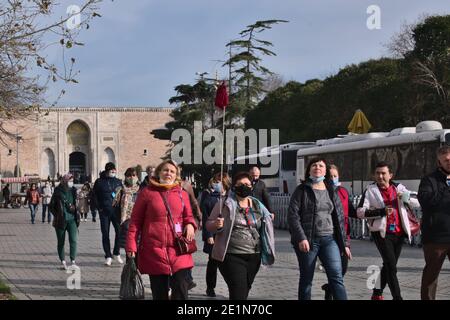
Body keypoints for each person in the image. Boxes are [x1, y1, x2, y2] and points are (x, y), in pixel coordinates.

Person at [126, 159, 197, 300]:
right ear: (159, 172)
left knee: (181, 290)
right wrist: (131, 245)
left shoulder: (182, 194)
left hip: (178, 249)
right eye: (165, 170)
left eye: (172, 171)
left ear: (176, 175)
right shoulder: (147, 193)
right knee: (159, 294)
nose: (168, 173)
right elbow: (135, 221)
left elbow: (188, 216)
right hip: (154, 251)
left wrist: (190, 224)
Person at [206, 172, 275, 300]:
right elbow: (209, 224)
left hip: (254, 255)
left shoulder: (257, 204)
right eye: (240, 184)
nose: (244, 187)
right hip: (231, 256)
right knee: (238, 291)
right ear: (234, 187)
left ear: (252, 187)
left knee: (244, 291)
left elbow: (268, 218)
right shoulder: (225, 203)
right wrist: (216, 224)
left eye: (247, 184)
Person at [357, 161, 420, 300]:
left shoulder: (398, 187)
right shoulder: (370, 190)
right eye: (377, 173)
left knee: (388, 265)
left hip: (399, 232)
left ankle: (377, 292)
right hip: (381, 233)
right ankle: (397, 297)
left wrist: (405, 197)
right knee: (392, 267)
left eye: (383, 173)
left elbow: (417, 202)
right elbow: (360, 212)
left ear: (390, 175)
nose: (380, 176)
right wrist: (381, 211)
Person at [288, 158, 348, 300]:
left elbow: (339, 218)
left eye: (321, 165)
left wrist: (345, 244)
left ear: (325, 170)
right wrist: (301, 237)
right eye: (314, 165)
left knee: (336, 276)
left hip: (329, 239)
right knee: (307, 279)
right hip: (308, 240)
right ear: (309, 170)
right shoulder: (301, 190)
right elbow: (293, 216)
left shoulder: (331, 190)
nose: (317, 167)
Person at [418, 146, 450, 300]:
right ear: (439, 162)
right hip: (436, 238)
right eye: (446, 160)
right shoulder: (429, 180)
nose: (449, 163)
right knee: (431, 278)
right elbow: (427, 202)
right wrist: (446, 186)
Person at [321, 164, 356, 300]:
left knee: (342, 270)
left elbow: (352, 210)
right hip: (329, 236)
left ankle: (329, 288)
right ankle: (332, 292)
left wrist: (369, 211)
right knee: (335, 271)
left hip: (344, 236)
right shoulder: (323, 192)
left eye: (335, 176)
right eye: (330, 176)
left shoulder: (343, 191)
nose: (333, 179)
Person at [200, 172, 231, 297]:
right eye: (216, 181)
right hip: (213, 236)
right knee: (212, 263)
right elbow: (206, 218)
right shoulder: (209, 198)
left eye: (220, 182)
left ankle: (232, 287)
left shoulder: (231, 198)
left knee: (229, 264)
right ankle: (210, 287)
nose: (217, 184)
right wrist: (208, 235)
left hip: (227, 236)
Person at [93, 162, 123, 266]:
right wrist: (99, 208)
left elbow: (122, 195)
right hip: (104, 212)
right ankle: (108, 255)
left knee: (119, 232)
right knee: (105, 233)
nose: (113, 172)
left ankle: (116, 252)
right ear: (106, 171)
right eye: (111, 170)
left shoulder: (118, 182)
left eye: (114, 170)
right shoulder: (99, 182)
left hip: (116, 212)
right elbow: (94, 196)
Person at [49, 173, 80, 270]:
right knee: (61, 241)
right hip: (61, 220)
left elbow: (77, 203)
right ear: (65, 181)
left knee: (73, 240)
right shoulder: (58, 191)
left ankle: (73, 260)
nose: (71, 182)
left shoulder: (74, 191)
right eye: (70, 180)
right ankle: (63, 261)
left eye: (72, 180)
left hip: (72, 219)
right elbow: (51, 206)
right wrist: (57, 215)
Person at [180, 172, 203, 290]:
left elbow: (193, 202)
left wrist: (199, 217)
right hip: (170, 223)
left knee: (185, 249)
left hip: (185, 222)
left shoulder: (185, 185)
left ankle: (188, 278)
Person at [112, 167, 140, 258]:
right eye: (129, 176)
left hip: (139, 222)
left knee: (139, 248)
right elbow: (115, 206)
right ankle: (130, 268)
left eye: (133, 175)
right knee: (129, 249)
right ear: (125, 177)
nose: (131, 178)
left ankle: (136, 268)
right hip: (125, 222)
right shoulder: (120, 190)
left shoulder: (141, 190)